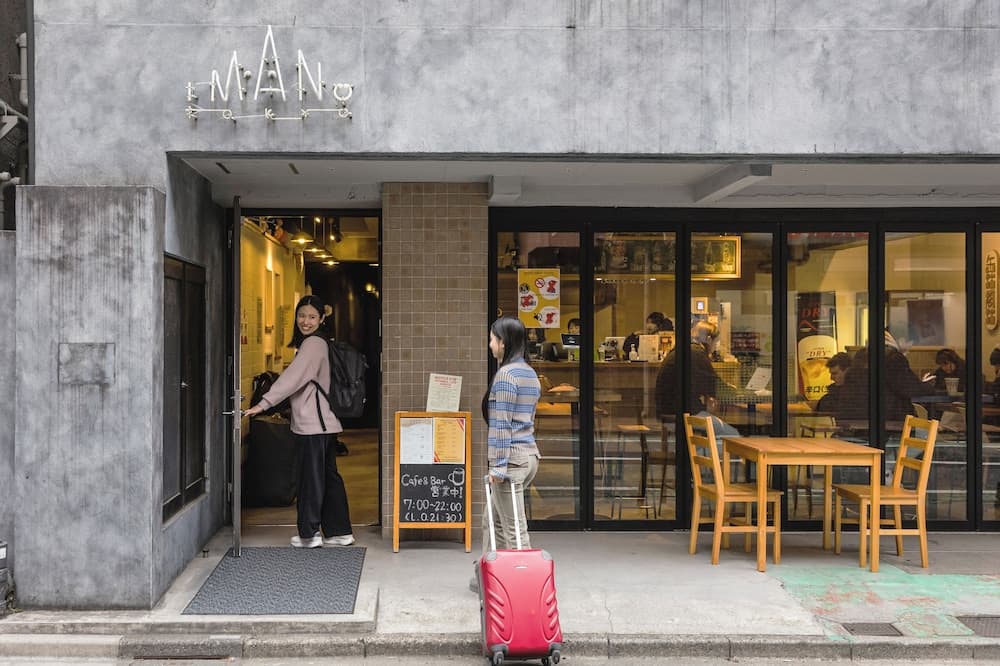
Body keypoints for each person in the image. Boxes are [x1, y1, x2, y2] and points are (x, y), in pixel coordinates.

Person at [243, 295, 354, 549]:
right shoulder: (320, 342)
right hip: (324, 422)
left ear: (322, 319)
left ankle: (309, 533)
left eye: (312, 317)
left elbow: (292, 379)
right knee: (328, 477)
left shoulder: (313, 344)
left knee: (310, 478)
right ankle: (340, 531)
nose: (306, 321)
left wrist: (263, 403)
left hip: (313, 424)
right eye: (301, 315)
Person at [482, 316, 542, 552]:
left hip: (511, 462)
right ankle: (489, 569)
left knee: (514, 530)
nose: (490, 345)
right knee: (492, 520)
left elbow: (502, 424)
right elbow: (529, 418)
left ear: (503, 342)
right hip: (527, 456)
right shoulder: (529, 373)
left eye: (492, 339)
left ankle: (522, 573)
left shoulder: (506, 375)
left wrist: (497, 466)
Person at [655, 320, 723, 417]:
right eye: (715, 342)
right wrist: (739, 394)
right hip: (680, 413)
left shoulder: (684, 350)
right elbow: (714, 385)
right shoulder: (696, 353)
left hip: (668, 409)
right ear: (709, 339)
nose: (715, 347)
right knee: (727, 427)